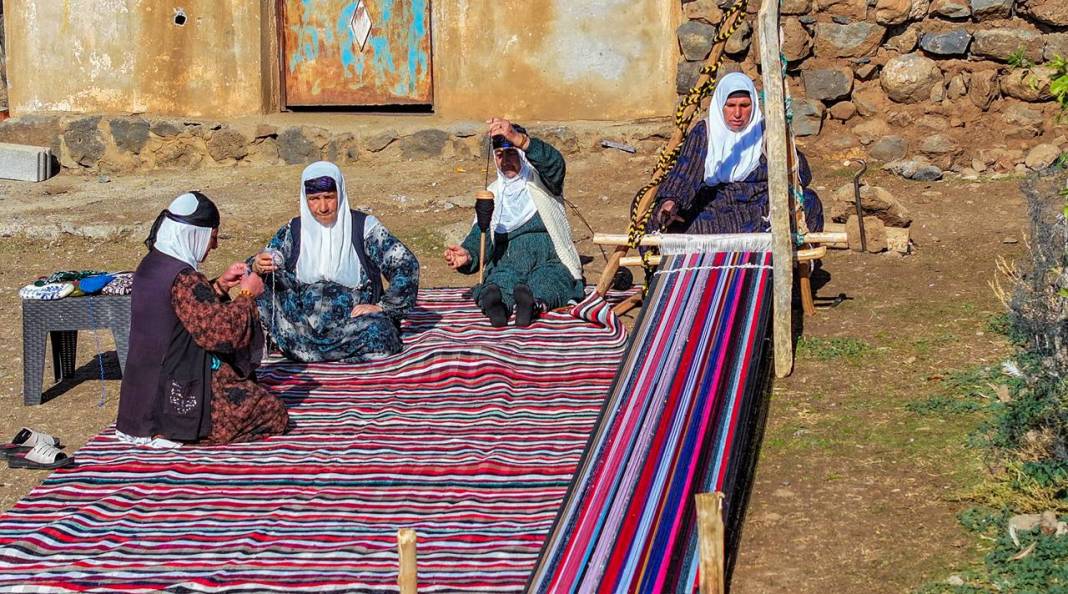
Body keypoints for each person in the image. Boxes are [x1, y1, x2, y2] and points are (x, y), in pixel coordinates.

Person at [117, 192, 289, 447]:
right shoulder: (184, 278)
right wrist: (246, 294)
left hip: (140, 401)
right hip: (173, 397)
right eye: (213, 238)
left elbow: (185, 314)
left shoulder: (152, 264)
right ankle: (181, 432)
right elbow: (222, 334)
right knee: (272, 412)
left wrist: (218, 287)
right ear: (195, 234)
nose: (214, 246)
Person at [250, 161, 420, 363]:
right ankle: (324, 351)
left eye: (329, 197)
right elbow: (266, 258)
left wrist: (383, 307)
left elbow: (405, 264)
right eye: (314, 199)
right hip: (301, 324)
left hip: (351, 324)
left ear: (340, 193)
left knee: (380, 331)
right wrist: (258, 264)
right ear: (305, 200)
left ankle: (304, 352)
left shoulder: (364, 227)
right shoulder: (295, 230)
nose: (322, 207)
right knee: (263, 283)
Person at [443, 118, 584, 327]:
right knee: (500, 280)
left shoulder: (542, 181)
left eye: (511, 153)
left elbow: (555, 164)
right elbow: (482, 235)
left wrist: (520, 140)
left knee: (551, 280)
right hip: (508, 260)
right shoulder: (493, 193)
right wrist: (468, 255)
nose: (506, 160)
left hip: (549, 257)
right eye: (500, 155)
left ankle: (532, 305)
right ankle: (497, 307)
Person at [651, 72, 824, 235]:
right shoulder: (705, 131)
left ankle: (778, 259)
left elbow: (801, 176)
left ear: (754, 105)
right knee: (656, 215)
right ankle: (694, 260)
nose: (737, 114)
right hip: (712, 208)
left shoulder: (766, 131)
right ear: (721, 105)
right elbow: (685, 172)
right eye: (731, 106)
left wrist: (783, 138)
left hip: (759, 206)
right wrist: (670, 201)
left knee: (808, 200)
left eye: (744, 105)